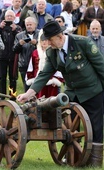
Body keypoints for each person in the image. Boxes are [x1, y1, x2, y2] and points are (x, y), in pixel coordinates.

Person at [17, 20, 104, 167]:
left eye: (50, 40)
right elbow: (44, 74)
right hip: (72, 94)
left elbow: (101, 67)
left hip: (92, 91)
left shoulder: (83, 43)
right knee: (72, 128)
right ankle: (76, 158)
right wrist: (29, 93)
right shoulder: (52, 52)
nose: (48, 43)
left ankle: (95, 162)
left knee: (95, 127)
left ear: (60, 36)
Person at [26, 29, 64, 98]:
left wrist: (56, 79)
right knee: (39, 97)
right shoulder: (35, 53)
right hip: (38, 79)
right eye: (42, 40)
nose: (44, 42)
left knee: (52, 98)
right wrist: (31, 78)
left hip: (51, 81)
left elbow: (59, 66)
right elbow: (31, 67)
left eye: (46, 40)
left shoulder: (54, 52)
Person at [0, 9, 22, 99]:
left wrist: (14, 31)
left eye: (11, 16)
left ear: (14, 18)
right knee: (2, 78)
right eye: (7, 16)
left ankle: (12, 96)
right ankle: (2, 96)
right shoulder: (0, 27)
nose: (9, 17)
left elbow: (20, 38)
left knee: (13, 78)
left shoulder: (17, 28)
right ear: (4, 17)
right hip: (2, 56)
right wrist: (0, 28)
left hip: (14, 56)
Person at [13, 16, 39, 92]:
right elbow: (15, 50)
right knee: (27, 85)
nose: (29, 26)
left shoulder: (41, 33)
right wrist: (19, 44)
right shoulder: (19, 35)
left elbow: (46, 47)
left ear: (35, 25)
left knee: (37, 85)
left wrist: (36, 43)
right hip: (24, 64)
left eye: (30, 24)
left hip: (37, 64)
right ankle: (27, 102)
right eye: (27, 25)